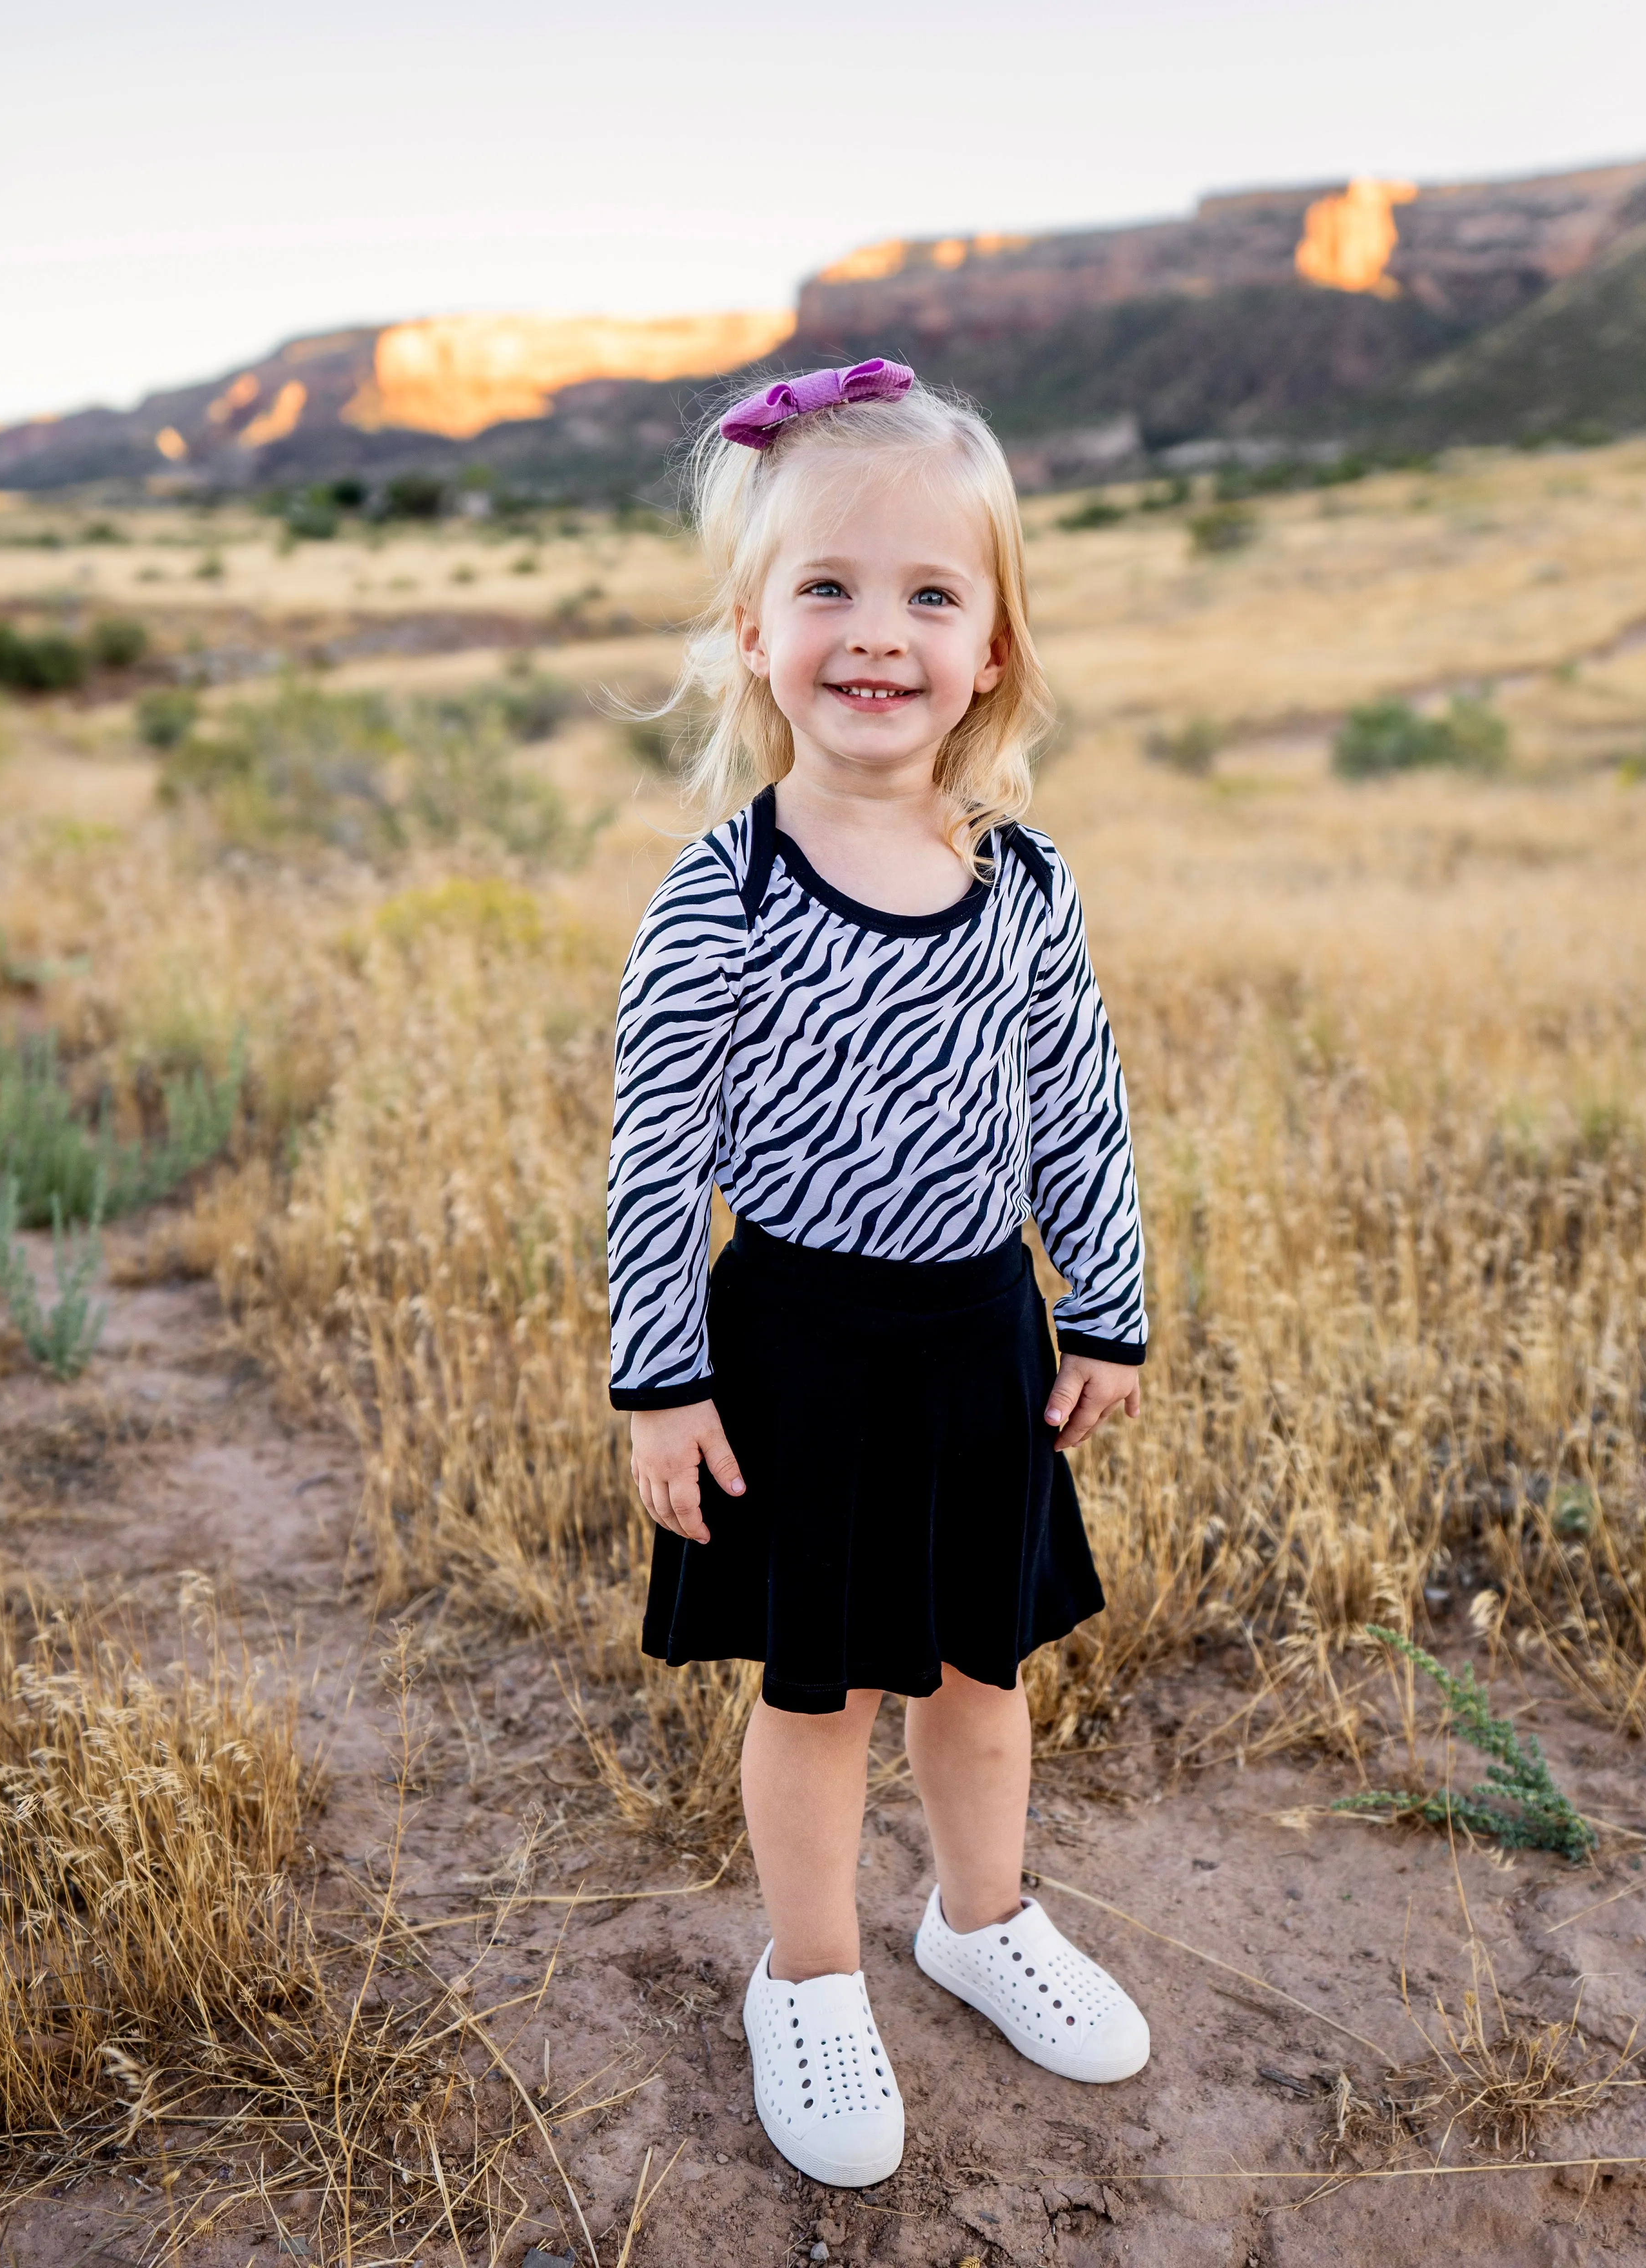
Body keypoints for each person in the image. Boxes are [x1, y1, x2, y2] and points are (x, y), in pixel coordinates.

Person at [606, 358, 1151, 2189]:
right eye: (827, 589)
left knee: (976, 1668)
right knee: (817, 1689)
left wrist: (1109, 1300)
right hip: (796, 1344)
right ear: (752, 631)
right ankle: (815, 1969)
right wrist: (661, 1375)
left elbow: (1076, 1097)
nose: (877, 633)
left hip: (979, 1334)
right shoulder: (724, 892)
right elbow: (655, 1150)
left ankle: (981, 1919)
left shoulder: (1019, 878)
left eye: (930, 594)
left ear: (992, 644)